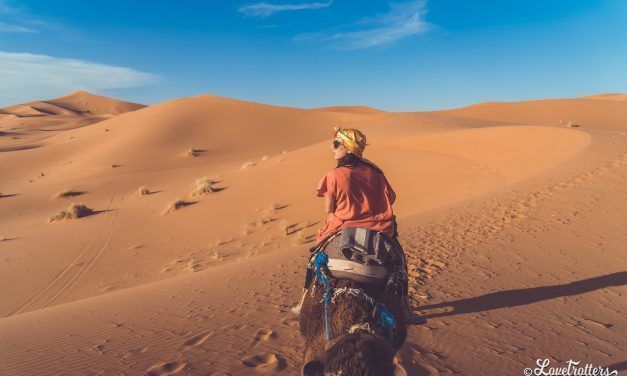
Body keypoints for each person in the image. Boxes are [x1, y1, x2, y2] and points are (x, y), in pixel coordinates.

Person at [292, 127, 418, 322]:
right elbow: (391, 198)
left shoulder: (334, 175)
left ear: (348, 148)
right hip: (379, 229)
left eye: (336, 144)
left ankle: (302, 303)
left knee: (313, 260)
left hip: (341, 228)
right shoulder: (376, 173)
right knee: (399, 264)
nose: (332, 149)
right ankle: (406, 309)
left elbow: (328, 209)